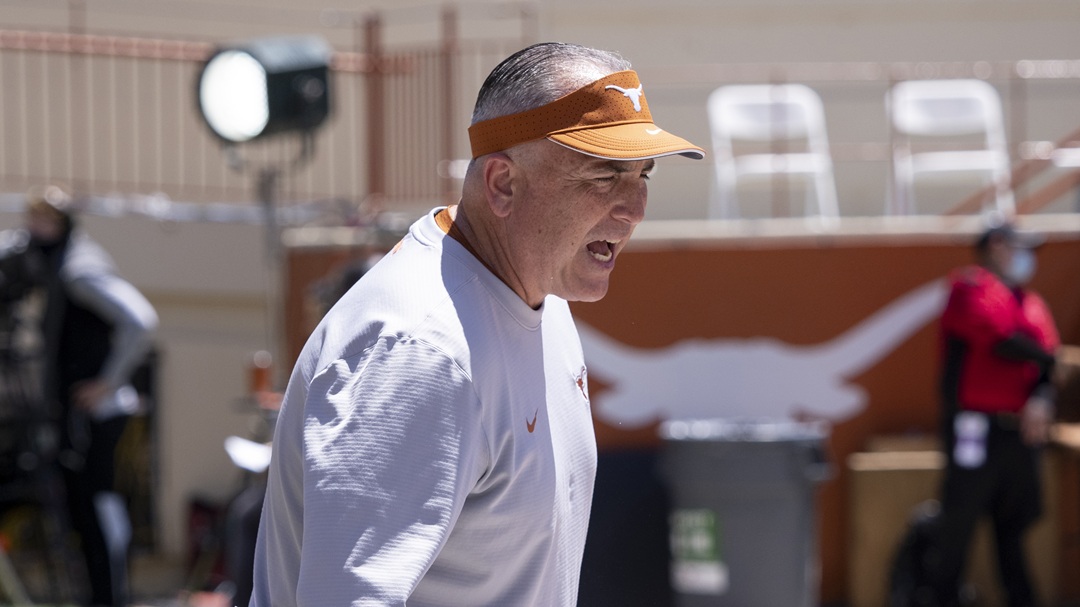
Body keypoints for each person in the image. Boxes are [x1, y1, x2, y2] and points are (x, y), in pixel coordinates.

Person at [250, 42, 703, 606]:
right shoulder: (419, 349)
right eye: (604, 175)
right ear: (502, 184)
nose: (635, 209)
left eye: (644, 176)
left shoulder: (538, 299)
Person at [20, 184, 158, 607]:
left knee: (101, 507)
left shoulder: (79, 269)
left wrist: (108, 382)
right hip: (82, 416)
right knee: (85, 509)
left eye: (43, 222)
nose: (34, 232)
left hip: (101, 416)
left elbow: (142, 321)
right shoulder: (58, 263)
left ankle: (112, 596)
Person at [932, 221, 1058, 607]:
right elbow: (1000, 338)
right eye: (1022, 247)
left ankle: (1021, 599)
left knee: (1015, 523)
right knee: (960, 519)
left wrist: (1041, 397)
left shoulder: (1030, 300)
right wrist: (1047, 358)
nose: (1028, 257)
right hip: (974, 428)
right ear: (998, 246)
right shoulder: (969, 286)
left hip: (1019, 431)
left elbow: (1047, 361)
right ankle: (941, 597)